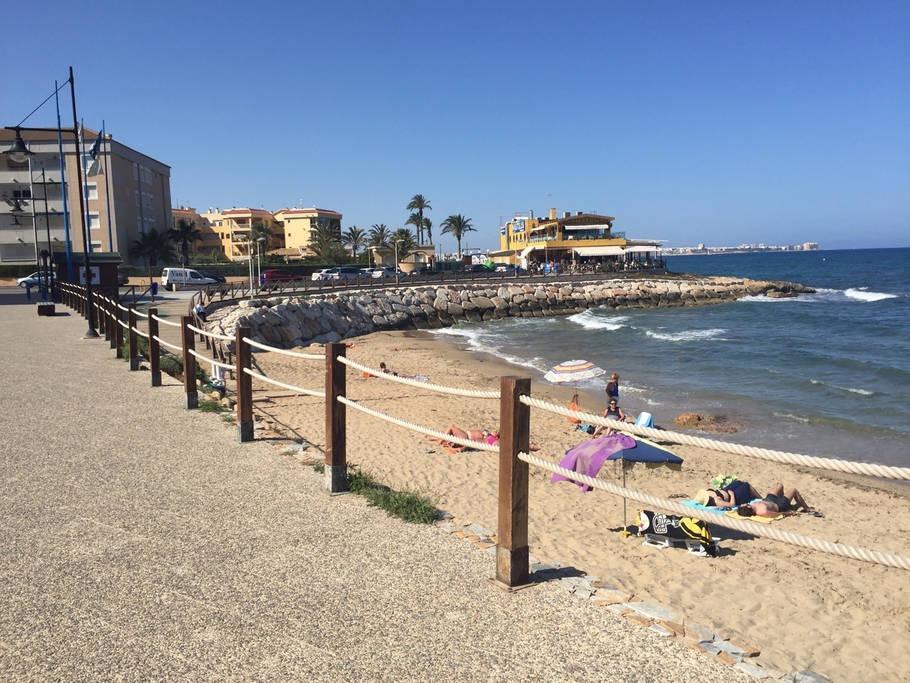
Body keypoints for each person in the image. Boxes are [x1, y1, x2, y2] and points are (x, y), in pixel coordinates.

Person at [737, 484, 811, 518]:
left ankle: (787, 500)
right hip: (779, 505)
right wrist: (788, 513)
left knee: (779, 485)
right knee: (793, 490)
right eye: (744, 505)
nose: (744, 504)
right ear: (748, 507)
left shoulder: (752, 506)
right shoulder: (763, 511)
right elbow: (777, 514)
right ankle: (807, 508)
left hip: (769, 500)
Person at [694, 479, 760, 508]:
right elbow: (732, 505)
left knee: (738, 482)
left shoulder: (708, 493)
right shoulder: (717, 501)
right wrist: (732, 495)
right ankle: (760, 498)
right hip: (734, 496)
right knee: (747, 486)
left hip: (726, 490)